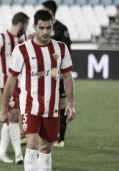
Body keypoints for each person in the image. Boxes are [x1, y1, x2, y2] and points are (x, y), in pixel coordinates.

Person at [0, 10, 75, 171]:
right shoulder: (22, 50)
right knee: (31, 145)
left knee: (46, 148)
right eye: (41, 27)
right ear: (34, 27)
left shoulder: (61, 49)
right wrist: (4, 108)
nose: (45, 31)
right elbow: (11, 80)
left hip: (51, 108)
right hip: (30, 106)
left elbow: (67, 78)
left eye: (49, 27)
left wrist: (71, 104)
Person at [0, 12, 30, 164]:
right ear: (20, 24)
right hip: (7, 83)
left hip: (23, 83)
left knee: (10, 117)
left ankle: (1, 153)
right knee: (13, 114)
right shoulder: (1, 37)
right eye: (25, 26)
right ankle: (19, 154)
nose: (26, 29)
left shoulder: (25, 38)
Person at [42, 0, 72, 148]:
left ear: (50, 11)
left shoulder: (61, 29)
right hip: (43, 74)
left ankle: (60, 137)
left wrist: (61, 70)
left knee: (60, 104)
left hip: (57, 73)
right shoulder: (43, 29)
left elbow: (67, 51)